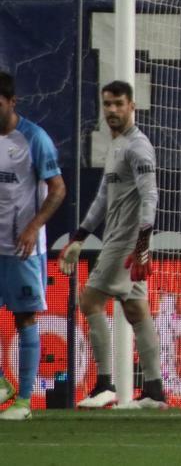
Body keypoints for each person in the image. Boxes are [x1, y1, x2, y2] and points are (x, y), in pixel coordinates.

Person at [59, 80, 166, 411]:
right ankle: (154, 391)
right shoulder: (117, 145)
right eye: (107, 104)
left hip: (127, 243)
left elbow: (150, 194)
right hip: (122, 240)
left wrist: (143, 244)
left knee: (89, 300)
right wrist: (79, 235)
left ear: (132, 106)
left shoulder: (138, 147)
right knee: (136, 310)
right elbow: (105, 196)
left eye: (119, 104)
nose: (112, 111)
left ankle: (105, 385)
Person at [0, 71, 66, 421]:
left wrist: (33, 227)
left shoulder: (34, 138)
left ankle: (24, 402)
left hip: (23, 248)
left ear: (12, 102)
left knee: (24, 317)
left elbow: (57, 189)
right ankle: (2, 384)